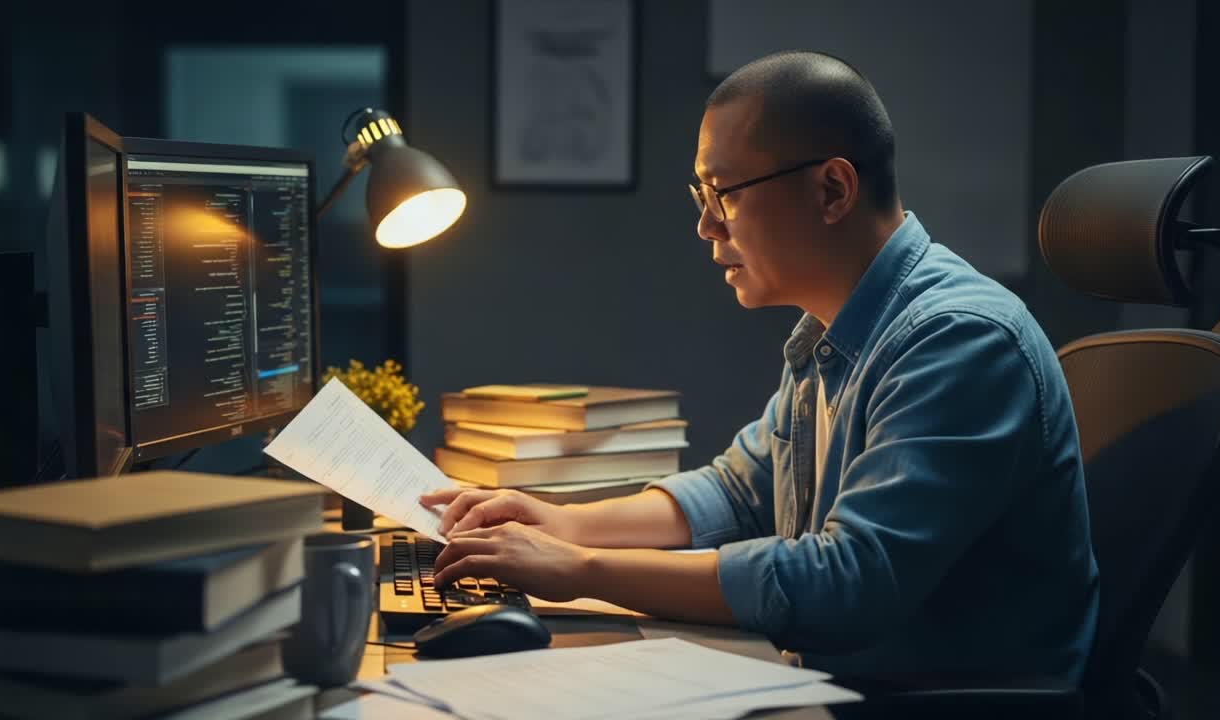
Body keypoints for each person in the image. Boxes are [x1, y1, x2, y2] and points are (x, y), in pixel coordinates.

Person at [420, 51, 1099, 684]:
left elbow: (849, 582)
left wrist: (583, 569)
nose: (707, 227)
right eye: (702, 196)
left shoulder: (960, 340)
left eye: (724, 194)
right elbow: (741, 491)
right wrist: (564, 524)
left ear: (832, 190)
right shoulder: (832, 332)